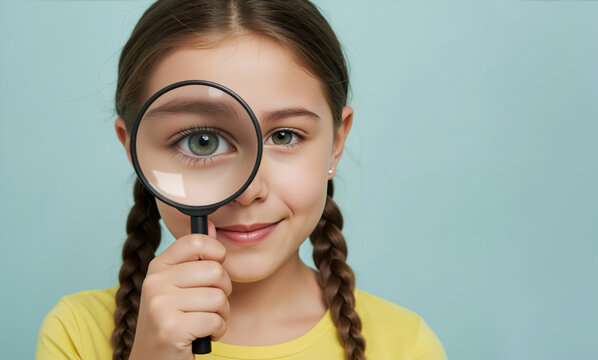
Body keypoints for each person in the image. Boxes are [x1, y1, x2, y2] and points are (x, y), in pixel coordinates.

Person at [35, 1, 447, 359]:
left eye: (285, 136)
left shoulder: (406, 345)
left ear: (337, 143)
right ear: (134, 150)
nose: (249, 191)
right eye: (202, 141)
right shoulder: (75, 334)